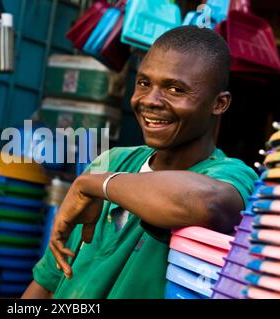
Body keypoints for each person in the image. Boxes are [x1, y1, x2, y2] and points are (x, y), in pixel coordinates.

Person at [22, 26, 258, 299]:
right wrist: (94, 182)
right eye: (144, 83)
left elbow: (206, 204)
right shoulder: (112, 161)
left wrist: (95, 184)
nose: (150, 100)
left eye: (175, 89)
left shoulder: (232, 176)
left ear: (219, 104)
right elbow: (49, 280)